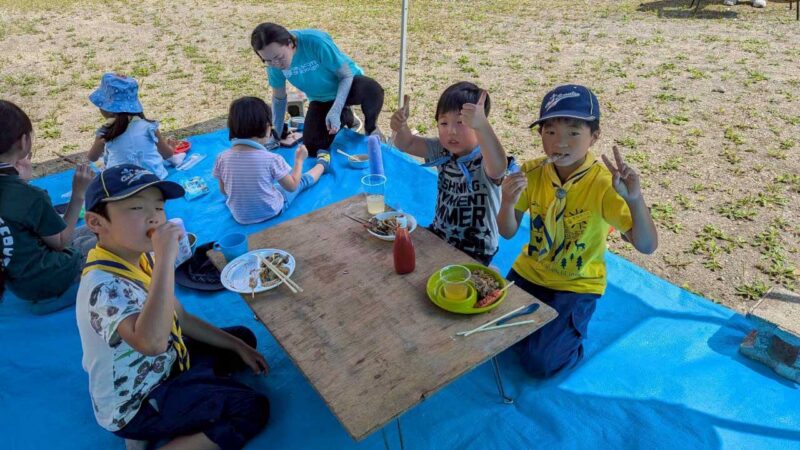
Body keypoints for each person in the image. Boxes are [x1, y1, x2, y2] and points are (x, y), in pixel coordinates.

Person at [77, 164, 270, 449]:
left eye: (159, 208)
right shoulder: (103, 287)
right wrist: (166, 258)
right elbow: (151, 343)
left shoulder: (140, 256)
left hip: (166, 364)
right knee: (251, 409)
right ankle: (147, 430)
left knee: (243, 339)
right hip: (138, 399)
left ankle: (193, 395)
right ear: (96, 222)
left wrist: (237, 346)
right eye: (137, 208)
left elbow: (180, 317)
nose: (154, 218)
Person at [497, 84, 659, 378]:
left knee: (540, 362)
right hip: (529, 273)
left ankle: (570, 341)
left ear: (594, 137)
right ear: (540, 134)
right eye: (550, 132)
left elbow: (647, 246)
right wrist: (507, 202)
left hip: (576, 284)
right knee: (491, 333)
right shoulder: (532, 172)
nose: (560, 142)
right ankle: (544, 332)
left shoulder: (604, 185)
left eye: (573, 133)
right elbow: (507, 232)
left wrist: (635, 199)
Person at [390, 81, 509, 265]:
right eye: (443, 123)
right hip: (439, 235)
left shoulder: (486, 156)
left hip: (476, 249)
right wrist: (401, 126)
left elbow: (499, 167)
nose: (451, 131)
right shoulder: (441, 149)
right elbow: (407, 143)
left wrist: (483, 126)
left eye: (461, 122)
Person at [0, 100, 96, 314]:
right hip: (51, 282)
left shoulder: (19, 193)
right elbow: (61, 242)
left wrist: (20, 181)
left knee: (93, 230)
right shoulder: (29, 196)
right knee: (113, 235)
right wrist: (79, 193)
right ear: (24, 141)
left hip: (20, 283)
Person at [251, 22, 385, 158]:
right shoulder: (273, 65)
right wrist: (277, 133)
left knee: (372, 90)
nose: (276, 64)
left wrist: (336, 109)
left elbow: (345, 75)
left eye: (279, 57)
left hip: (347, 85)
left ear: (290, 43)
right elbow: (279, 98)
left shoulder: (315, 42)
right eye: (267, 60)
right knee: (313, 146)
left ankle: (371, 128)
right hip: (321, 99)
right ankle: (346, 115)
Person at [213, 96, 330, 225]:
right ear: (267, 127)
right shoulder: (272, 159)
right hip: (270, 210)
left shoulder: (221, 157)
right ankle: (322, 164)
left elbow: (224, 191)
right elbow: (292, 187)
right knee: (301, 181)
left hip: (239, 216)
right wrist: (299, 160)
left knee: (269, 186)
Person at [87, 73, 177, 179]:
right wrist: (170, 148)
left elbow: (92, 157)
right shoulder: (149, 127)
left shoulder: (105, 132)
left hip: (121, 183)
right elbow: (167, 154)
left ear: (109, 110)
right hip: (154, 179)